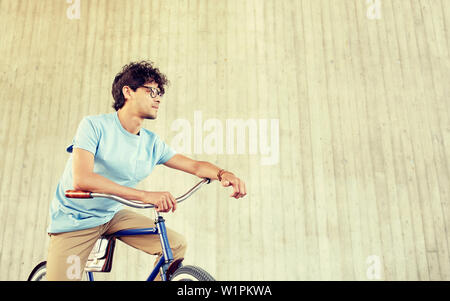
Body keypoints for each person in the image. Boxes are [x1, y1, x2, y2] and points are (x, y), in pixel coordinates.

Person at [46, 60, 247, 281]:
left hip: (110, 215)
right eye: (151, 90)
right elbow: (82, 179)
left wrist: (223, 174)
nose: (158, 97)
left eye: (160, 92)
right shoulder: (94, 126)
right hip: (76, 218)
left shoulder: (152, 143)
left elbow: (195, 166)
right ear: (128, 92)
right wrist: (145, 196)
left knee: (176, 244)